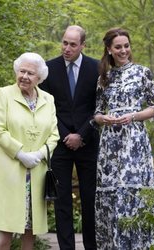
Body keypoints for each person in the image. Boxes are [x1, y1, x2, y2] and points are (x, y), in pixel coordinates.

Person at [93, 28, 154, 249]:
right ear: (109, 50)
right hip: (110, 143)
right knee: (112, 193)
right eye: (118, 47)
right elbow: (96, 113)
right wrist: (105, 119)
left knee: (134, 191)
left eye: (126, 46)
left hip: (134, 141)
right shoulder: (104, 77)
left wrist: (133, 116)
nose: (123, 50)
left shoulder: (143, 72)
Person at [0, 52, 59, 250]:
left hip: (36, 173)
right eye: (22, 71)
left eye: (30, 73)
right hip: (11, 172)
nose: (25, 76)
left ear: (39, 78)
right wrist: (20, 154)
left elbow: (54, 135)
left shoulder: (48, 99)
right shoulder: (4, 94)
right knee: (6, 230)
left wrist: (39, 154)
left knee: (30, 230)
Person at [40, 25, 99, 250]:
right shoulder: (48, 68)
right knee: (62, 201)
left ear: (83, 45)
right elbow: (47, 108)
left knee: (90, 199)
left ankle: (91, 246)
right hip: (60, 144)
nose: (67, 48)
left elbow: (99, 106)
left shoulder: (96, 68)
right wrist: (67, 136)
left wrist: (82, 134)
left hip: (89, 142)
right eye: (65, 42)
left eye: (73, 44)